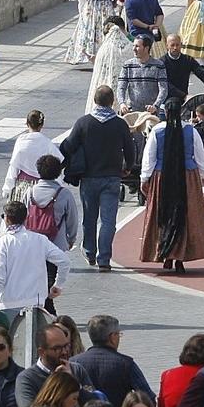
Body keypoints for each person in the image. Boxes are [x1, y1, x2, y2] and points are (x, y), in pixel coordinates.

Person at [61, 88, 136, 271]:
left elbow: (68, 146)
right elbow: (130, 149)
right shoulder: (120, 124)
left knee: (90, 218)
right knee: (108, 220)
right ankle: (104, 258)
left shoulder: (83, 122)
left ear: (95, 100)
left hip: (89, 177)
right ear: (112, 102)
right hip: (112, 177)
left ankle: (89, 251)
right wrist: (127, 168)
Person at [140, 103, 204, 274]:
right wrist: (203, 175)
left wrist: (145, 178)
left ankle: (165, 252)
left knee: (162, 214)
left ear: (166, 112)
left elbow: (149, 157)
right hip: (187, 176)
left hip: (162, 177)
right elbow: (200, 154)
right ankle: (180, 257)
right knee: (186, 215)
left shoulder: (158, 131)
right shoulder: (190, 130)